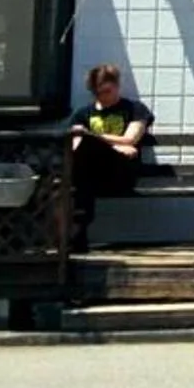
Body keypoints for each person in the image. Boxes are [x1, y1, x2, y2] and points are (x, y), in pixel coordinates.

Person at [65, 62, 153, 251]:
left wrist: (93, 136)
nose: (102, 97)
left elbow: (130, 138)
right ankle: (77, 234)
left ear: (117, 86)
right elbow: (75, 148)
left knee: (87, 149)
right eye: (97, 92)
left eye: (107, 91)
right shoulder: (83, 114)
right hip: (90, 174)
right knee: (82, 169)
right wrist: (117, 146)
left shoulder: (134, 109)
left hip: (120, 173)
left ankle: (78, 234)